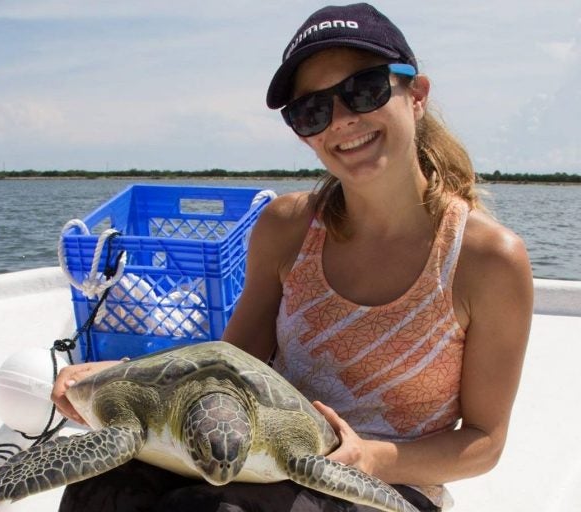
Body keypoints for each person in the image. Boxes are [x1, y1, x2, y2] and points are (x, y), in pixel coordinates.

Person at [51, 3, 533, 511]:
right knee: (98, 485)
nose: (342, 121)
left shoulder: (487, 260)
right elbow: (223, 366)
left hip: (392, 483)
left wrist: (369, 458)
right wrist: (120, 377)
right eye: (312, 111)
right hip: (269, 453)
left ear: (416, 94)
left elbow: (483, 442)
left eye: (363, 91)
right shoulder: (288, 227)